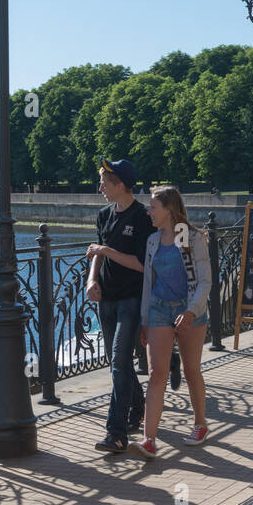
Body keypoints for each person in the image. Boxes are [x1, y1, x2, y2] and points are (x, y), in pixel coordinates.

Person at [132, 185, 212, 459]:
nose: (149, 211)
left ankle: (200, 424)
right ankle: (149, 440)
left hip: (189, 311)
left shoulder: (188, 237)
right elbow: (147, 283)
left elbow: (204, 281)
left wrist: (191, 311)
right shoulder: (153, 241)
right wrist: (144, 319)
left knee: (191, 370)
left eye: (153, 206)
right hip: (159, 311)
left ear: (168, 209)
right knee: (157, 373)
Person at [88, 157, 154, 453]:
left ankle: (116, 434)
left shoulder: (142, 217)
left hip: (132, 298)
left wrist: (106, 250)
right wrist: (92, 281)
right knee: (120, 362)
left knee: (118, 361)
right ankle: (137, 406)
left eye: (104, 181)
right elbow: (97, 254)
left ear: (121, 185)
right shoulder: (104, 214)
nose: (100, 186)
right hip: (107, 298)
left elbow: (142, 265)